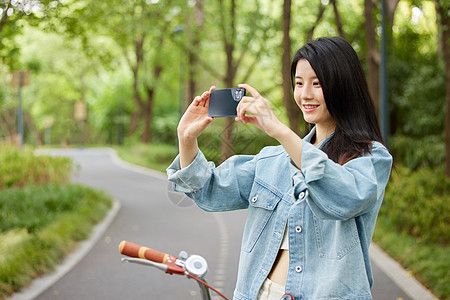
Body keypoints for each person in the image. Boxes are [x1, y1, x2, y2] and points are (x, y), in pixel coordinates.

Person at [167, 36, 393, 300]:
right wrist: (186, 138)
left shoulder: (370, 158)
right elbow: (209, 189)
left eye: (317, 83)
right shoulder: (272, 161)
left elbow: (344, 199)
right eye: (299, 83)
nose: (305, 94)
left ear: (344, 85)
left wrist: (278, 130)